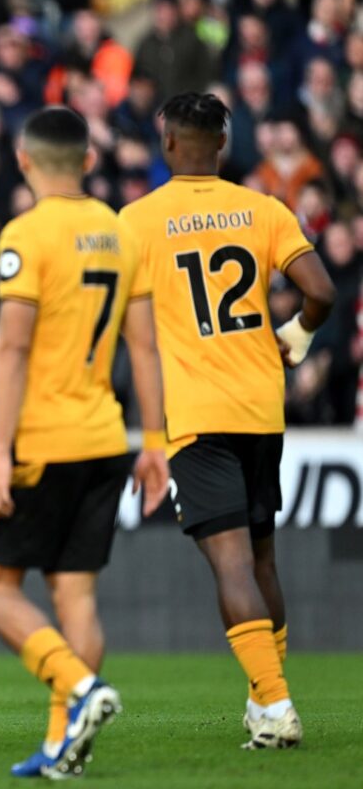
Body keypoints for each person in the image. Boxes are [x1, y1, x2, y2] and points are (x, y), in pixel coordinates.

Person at [119, 92, 337, 750]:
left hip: (197, 413)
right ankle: (262, 701)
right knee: (262, 558)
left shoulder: (138, 220)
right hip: (261, 408)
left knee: (231, 564)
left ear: (167, 145)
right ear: (222, 144)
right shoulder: (264, 208)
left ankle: (274, 706)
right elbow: (322, 292)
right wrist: (295, 336)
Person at [0, 107, 169, 779]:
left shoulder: (26, 235)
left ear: (23, 162)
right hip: (107, 437)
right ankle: (64, 745)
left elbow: (12, 346)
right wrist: (156, 439)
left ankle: (80, 689)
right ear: (86, 160)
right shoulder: (119, 231)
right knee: (75, 594)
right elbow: (144, 343)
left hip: (43, 442)